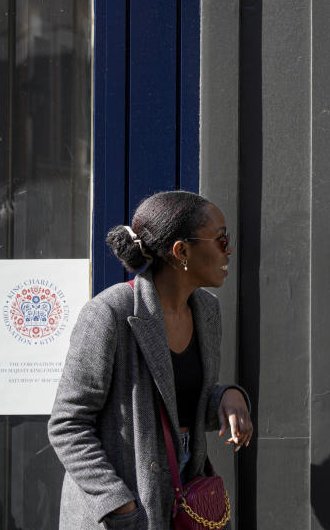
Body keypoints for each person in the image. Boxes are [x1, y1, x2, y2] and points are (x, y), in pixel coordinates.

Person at [48, 191, 253, 528]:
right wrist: (119, 503)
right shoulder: (110, 313)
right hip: (127, 504)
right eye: (220, 239)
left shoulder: (207, 311)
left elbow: (178, 403)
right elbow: (68, 424)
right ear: (181, 251)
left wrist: (225, 396)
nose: (228, 249)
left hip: (188, 493)